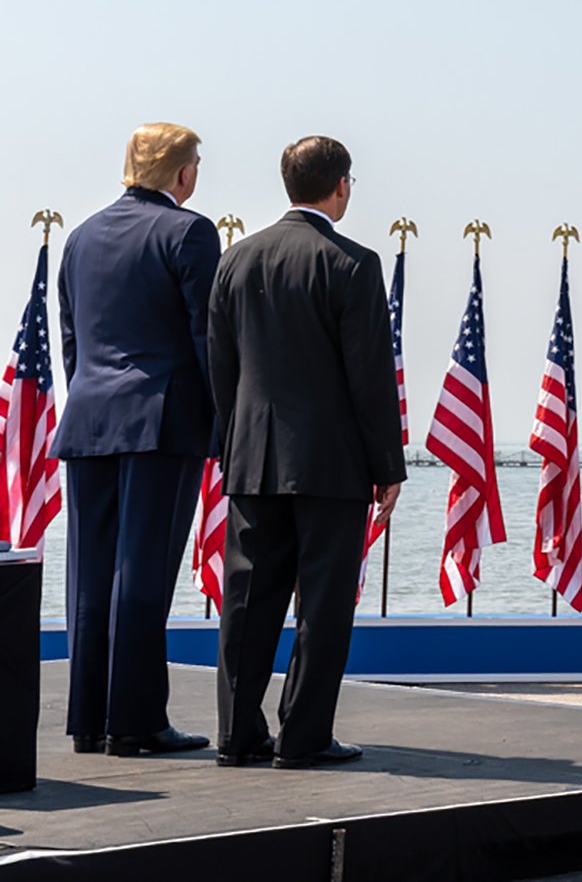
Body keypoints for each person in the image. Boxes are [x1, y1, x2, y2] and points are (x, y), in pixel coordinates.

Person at [209, 135, 405, 769]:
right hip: (331, 463)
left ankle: (238, 736)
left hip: (251, 457)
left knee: (245, 601)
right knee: (321, 604)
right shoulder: (354, 263)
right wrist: (387, 466)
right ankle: (304, 736)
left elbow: (222, 368)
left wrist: (231, 444)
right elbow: (370, 376)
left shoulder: (235, 259)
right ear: (340, 185)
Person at [55, 123, 221, 756]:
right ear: (181, 174)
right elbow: (209, 339)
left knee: (90, 575)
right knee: (142, 572)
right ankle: (137, 720)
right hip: (162, 419)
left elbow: (71, 337)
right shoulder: (188, 231)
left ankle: (89, 720)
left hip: (91, 416)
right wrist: (225, 419)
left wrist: (95, 397)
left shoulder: (81, 236)